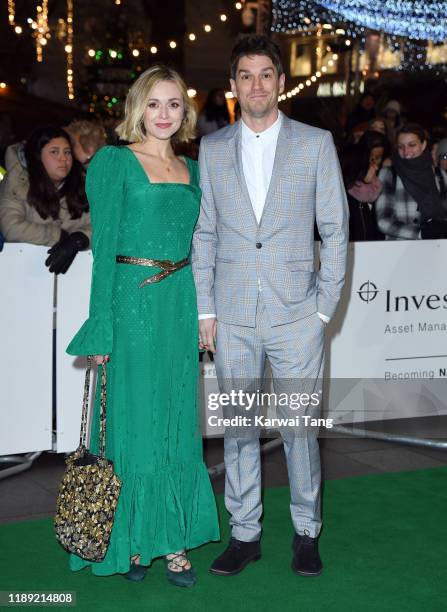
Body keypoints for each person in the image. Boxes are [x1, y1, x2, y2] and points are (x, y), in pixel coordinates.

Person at [192, 35, 348, 577]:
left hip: (297, 314)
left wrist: (322, 312)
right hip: (232, 315)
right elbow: (205, 233)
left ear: (281, 82)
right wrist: (204, 310)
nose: (256, 84)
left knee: (301, 429)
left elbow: (334, 227)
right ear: (233, 85)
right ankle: (245, 533)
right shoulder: (211, 150)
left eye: (265, 74)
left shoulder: (315, 142)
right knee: (238, 427)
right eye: (245, 75)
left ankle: (307, 532)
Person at [65, 64, 219, 586]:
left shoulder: (194, 170)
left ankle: (173, 541)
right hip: (130, 303)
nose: (164, 114)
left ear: (186, 111)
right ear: (137, 107)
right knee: (133, 421)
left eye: (174, 104)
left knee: (176, 420)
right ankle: (131, 540)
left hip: (178, 302)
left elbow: (199, 248)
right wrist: (101, 325)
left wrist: (203, 313)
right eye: (154, 103)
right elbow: (104, 248)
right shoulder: (114, 162)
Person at [0, 126, 91, 273]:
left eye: (67, 152)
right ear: (37, 156)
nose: (63, 158)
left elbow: (100, 226)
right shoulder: (16, 182)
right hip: (19, 273)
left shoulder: (81, 185)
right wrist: (59, 236)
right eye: (54, 152)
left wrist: (80, 238)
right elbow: (11, 227)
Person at [375, 124, 447, 240]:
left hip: (436, 248)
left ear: (423, 145)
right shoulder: (389, 174)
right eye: (400, 146)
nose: (406, 151)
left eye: (412, 145)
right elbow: (383, 221)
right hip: (399, 250)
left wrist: (440, 230)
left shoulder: (440, 175)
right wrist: (420, 233)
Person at [341, 130, 389, 241]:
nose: (376, 166)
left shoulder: (369, 195)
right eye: (371, 161)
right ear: (359, 167)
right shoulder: (344, 201)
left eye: (378, 158)